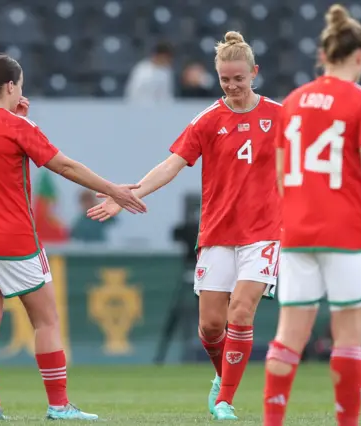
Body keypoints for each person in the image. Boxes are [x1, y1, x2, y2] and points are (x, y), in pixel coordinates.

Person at [88, 31, 282, 421]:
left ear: (254, 72)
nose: (232, 85)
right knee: (211, 327)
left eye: (239, 78)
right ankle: (222, 379)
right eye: (225, 79)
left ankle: (225, 400)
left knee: (240, 313)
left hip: (262, 233)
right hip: (217, 233)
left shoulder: (280, 116)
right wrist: (127, 194)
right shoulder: (208, 120)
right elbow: (172, 164)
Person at [0, 53, 147, 421]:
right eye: (20, 86)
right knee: (46, 321)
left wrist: (17, 117)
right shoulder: (19, 128)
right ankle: (59, 404)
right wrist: (113, 190)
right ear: (10, 86)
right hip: (14, 240)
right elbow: (65, 165)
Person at [262, 5, 361, 426]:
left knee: (289, 337)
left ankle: (272, 422)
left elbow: (282, 174)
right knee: (349, 340)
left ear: (323, 55)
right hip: (346, 233)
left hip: (298, 232)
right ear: (359, 56)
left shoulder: (292, 101)